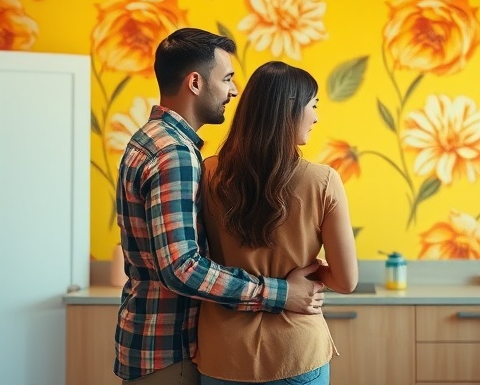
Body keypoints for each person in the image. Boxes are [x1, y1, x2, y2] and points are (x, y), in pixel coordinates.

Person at [114, 29, 326, 384]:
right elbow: (181, 267)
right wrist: (280, 293)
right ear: (195, 82)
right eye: (226, 78)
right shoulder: (175, 153)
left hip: (151, 343)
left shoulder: (151, 139)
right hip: (169, 351)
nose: (234, 90)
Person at [195, 61, 359, 385]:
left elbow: (196, 257)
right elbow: (346, 280)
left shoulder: (208, 173)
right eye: (313, 105)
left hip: (222, 354)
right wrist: (306, 276)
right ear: (289, 110)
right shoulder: (323, 181)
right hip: (295, 352)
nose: (316, 116)